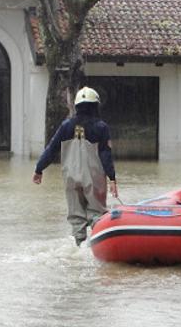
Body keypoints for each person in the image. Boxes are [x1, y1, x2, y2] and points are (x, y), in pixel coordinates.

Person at [32, 86, 118, 246]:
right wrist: (112, 179)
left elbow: (52, 149)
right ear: (95, 106)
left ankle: (78, 248)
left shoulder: (66, 126)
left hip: (70, 177)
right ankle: (97, 249)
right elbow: (105, 155)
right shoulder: (101, 127)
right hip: (93, 178)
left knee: (76, 217)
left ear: (77, 106)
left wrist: (39, 169)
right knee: (97, 214)